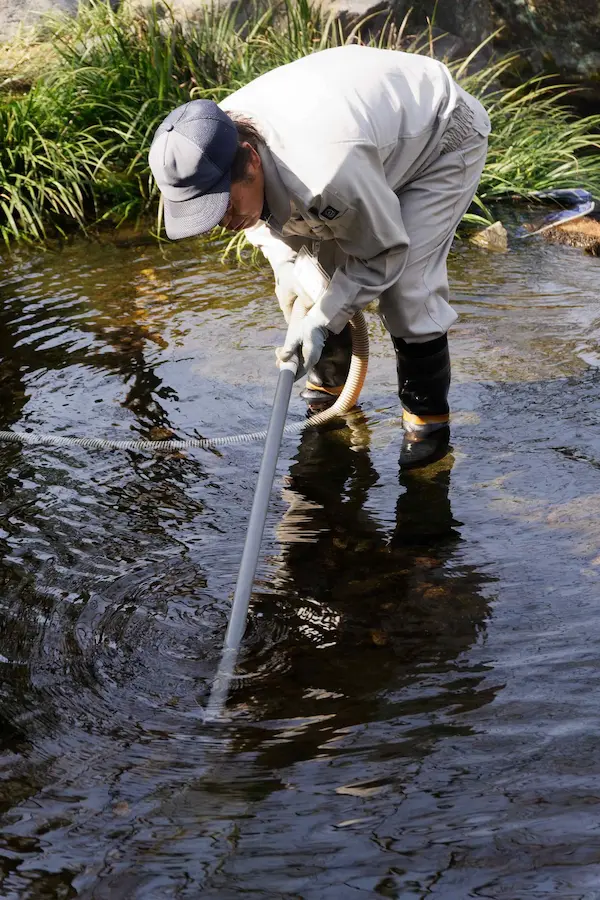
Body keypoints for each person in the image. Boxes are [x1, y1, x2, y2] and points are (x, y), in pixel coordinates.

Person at [148, 44, 490, 467]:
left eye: (224, 206)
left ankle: (427, 425)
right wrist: (295, 283)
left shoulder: (324, 172)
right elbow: (269, 228)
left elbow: (383, 252)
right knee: (310, 285)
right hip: (361, 141)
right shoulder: (205, 140)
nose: (223, 222)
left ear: (251, 161)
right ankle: (329, 398)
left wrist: (322, 320)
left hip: (440, 134)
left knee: (405, 294)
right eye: (208, 212)